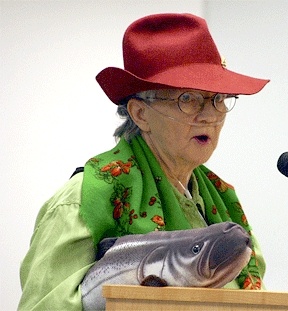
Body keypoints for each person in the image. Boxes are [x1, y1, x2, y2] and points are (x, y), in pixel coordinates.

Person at [18, 13, 269, 310]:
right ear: (140, 113)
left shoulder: (220, 197)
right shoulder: (85, 198)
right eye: (188, 99)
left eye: (218, 99)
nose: (210, 115)